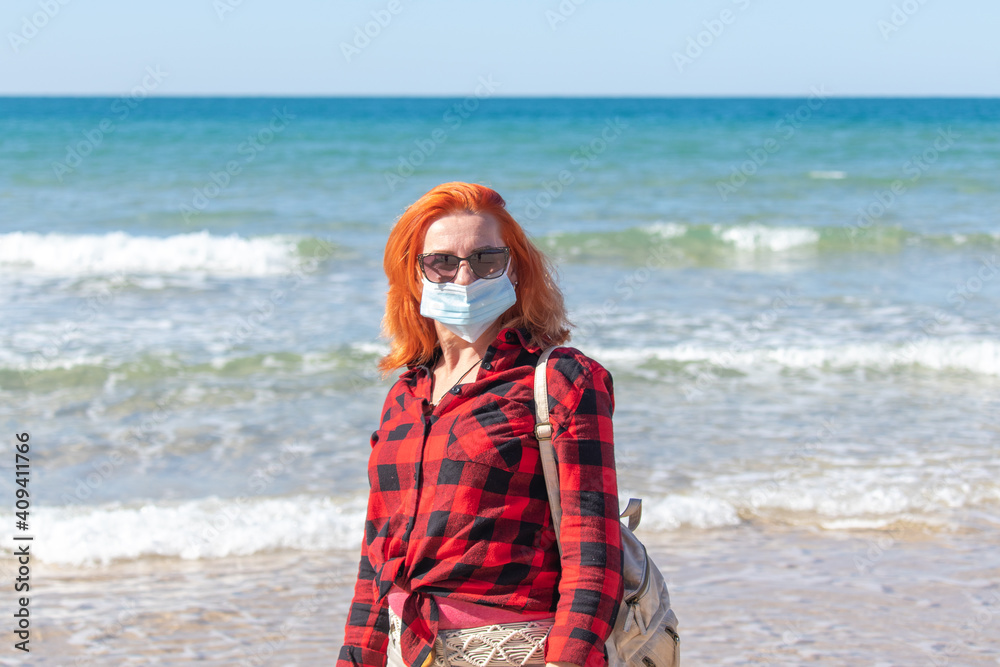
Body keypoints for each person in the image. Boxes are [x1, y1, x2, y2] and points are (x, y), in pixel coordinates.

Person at [337, 182, 623, 667]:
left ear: (514, 267)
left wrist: (567, 660)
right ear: (414, 274)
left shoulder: (562, 378)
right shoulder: (403, 399)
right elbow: (375, 562)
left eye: (486, 260)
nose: (465, 278)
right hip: (410, 649)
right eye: (443, 262)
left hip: (516, 650)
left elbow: (592, 552)